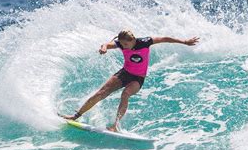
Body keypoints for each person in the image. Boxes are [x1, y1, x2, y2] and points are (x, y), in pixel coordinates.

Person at [61, 29, 199, 132]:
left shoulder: (145, 42)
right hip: (124, 73)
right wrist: (104, 47)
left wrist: (184, 42)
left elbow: (164, 38)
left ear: (133, 40)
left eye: (126, 44)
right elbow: (108, 44)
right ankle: (75, 116)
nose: (124, 46)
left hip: (138, 78)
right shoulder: (121, 44)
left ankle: (115, 126)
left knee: (125, 94)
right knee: (101, 93)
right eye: (121, 44)